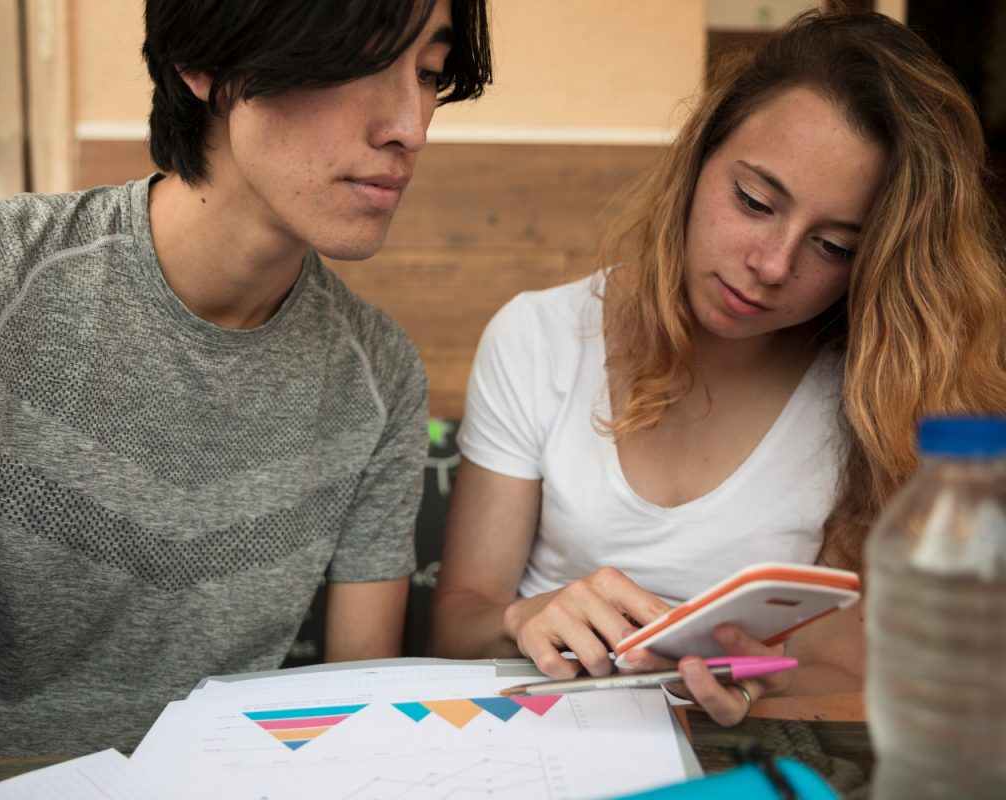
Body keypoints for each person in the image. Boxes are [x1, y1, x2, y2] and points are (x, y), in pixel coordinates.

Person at [0, 0, 491, 783]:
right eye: (361, 60)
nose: (410, 125)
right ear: (205, 64)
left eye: (430, 74)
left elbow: (351, 712)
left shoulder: (380, 373)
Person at [429, 8, 1006, 727]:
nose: (771, 265)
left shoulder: (871, 394)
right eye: (755, 201)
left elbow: (847, 673)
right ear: (699, 155)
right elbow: (455, 626)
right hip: (532, 738)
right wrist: (524, 617)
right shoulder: (539, 336)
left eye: (833, 247)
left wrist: (764, 686)